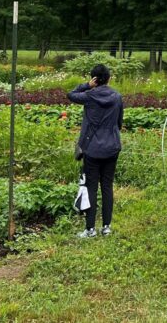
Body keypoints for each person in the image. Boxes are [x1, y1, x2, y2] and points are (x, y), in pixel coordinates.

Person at [68, 63, 124, 238]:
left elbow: (71, 95)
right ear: (109, 78)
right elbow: (119, 122)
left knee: (91, 187)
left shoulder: (89, 96)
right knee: (107, 186)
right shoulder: (116, 96)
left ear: (94, 79)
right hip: (112, 146)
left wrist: (86, 85)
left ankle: (90, 229)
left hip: (92, 147)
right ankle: (106, 227)